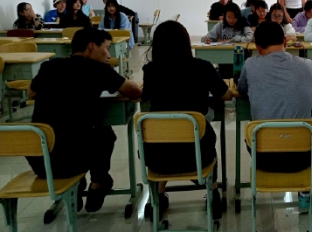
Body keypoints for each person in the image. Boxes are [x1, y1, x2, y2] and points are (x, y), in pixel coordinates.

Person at [26, 28, 141, 212]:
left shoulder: (51, 66)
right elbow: (134, 91)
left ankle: (76, 188)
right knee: (103, 133)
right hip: (73, 161)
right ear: (92, 46)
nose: (109, 55)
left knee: (66, 132)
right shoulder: (99, 70)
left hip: (42, 162)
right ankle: (97, 183)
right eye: (106, 48)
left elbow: (31, 92)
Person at [237, 22, 312, 212]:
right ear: (284, 41)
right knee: (307, 133)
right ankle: (305, 193)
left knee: (254, 133)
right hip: (302, 158)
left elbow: (241, 89)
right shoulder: (309, 65)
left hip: (263, 157)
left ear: (258, 47)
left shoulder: (250, 64)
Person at [142, 21, 233, 219]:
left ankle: (158, 197)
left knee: (166, 136)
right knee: (204, 134)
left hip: (157, 157)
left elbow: (145, 97)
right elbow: (226, 95)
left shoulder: (150, 70)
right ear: (186, 42)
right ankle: (213, 193)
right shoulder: (202, 67)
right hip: (197, 154)